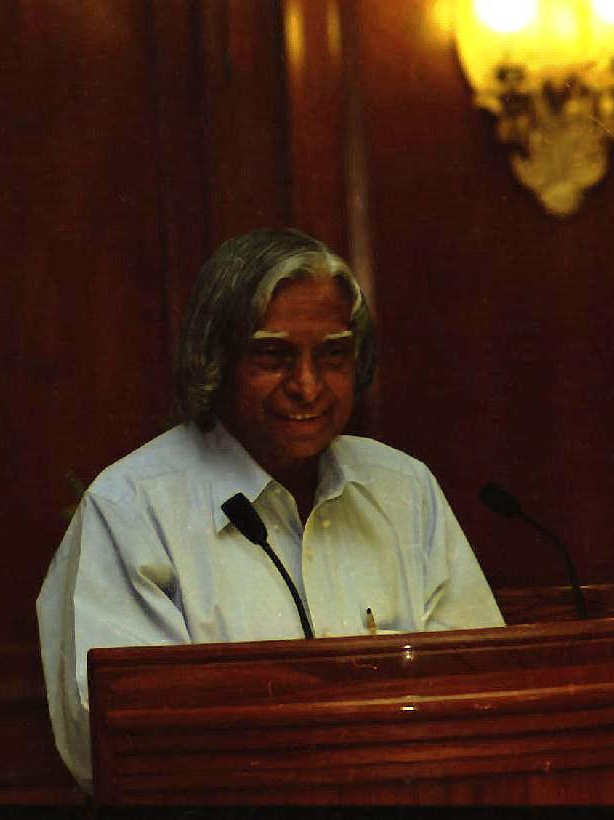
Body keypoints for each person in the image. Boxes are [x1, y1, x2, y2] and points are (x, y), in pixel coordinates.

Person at [36, 228, 504, 792]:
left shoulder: (403, 489)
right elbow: (118, 743)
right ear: (216, 361)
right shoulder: (132, 507)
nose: (307, 386)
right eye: (273, 355)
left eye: (332, 354)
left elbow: (479, 692)